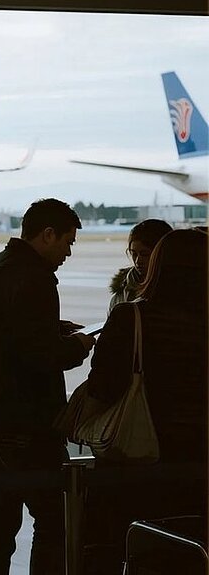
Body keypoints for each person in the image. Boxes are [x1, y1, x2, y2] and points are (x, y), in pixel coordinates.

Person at [0, 198, 95, 575]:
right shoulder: (35, 277)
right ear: (48, 234)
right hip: (27, 425)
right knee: (54, 520)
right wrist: (77, 346)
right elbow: (37, 356)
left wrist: (54, 330)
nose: (68, 253)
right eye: (67, 242)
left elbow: (5, 335)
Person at [81, 228, 207, 574]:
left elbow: (102, 387)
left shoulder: (130, 317)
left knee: (128, 544)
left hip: (140, 455)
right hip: (198, 460)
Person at [107, 218, 172, 311]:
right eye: (133, 254)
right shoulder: (120, 297)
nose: (138, 261)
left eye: (145, 254)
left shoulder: (180, 292)